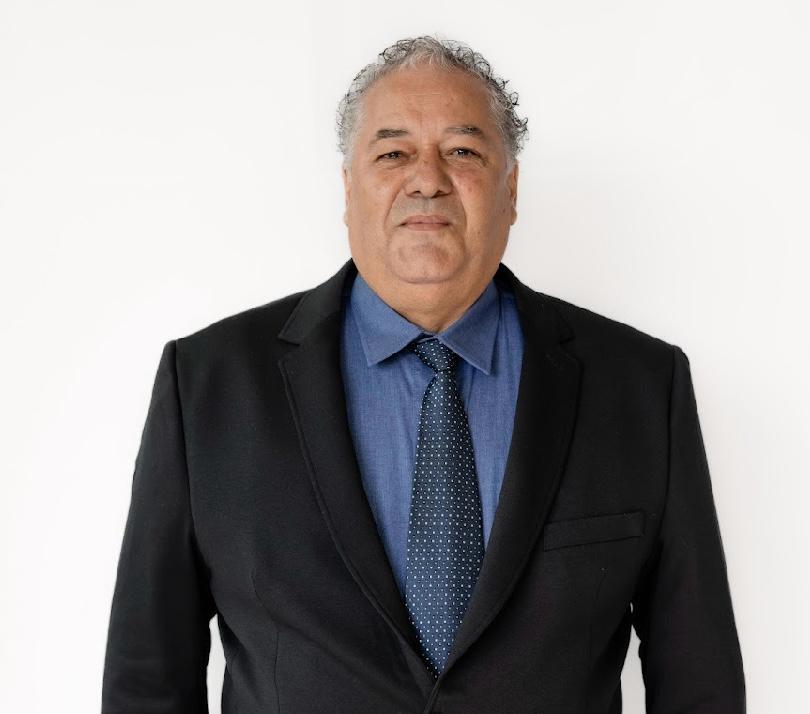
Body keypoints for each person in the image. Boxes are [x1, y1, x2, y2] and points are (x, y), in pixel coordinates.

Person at [102, 35, 746, 713]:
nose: (427, 180)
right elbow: (149, 679)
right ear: (348, 188)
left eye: (463, 152)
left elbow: (698, 680)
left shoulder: (640, 385)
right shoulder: (208, 382)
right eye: (392, 153)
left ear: (510, 189)